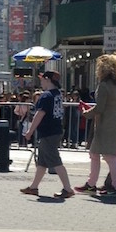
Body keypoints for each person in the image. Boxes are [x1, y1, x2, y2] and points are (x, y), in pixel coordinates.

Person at [20, 71, 74, 199]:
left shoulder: (46, 96)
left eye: (42, 80)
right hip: (56, 130)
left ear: (48, 80)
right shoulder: (58, 95)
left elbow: (39, 114)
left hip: (48, 132)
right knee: (42, 162)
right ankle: (34, 187)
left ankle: (68, 188)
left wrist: (30, 131)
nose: (41, 82)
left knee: (55, 161)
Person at [76, 54, 116, 195]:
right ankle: (93, 183)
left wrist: (85, 112)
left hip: (104, 122)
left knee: (107, 155)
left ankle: (115, 186)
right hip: (113, 120)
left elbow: (100, 108)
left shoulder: (103, 85)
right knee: (96, 153)